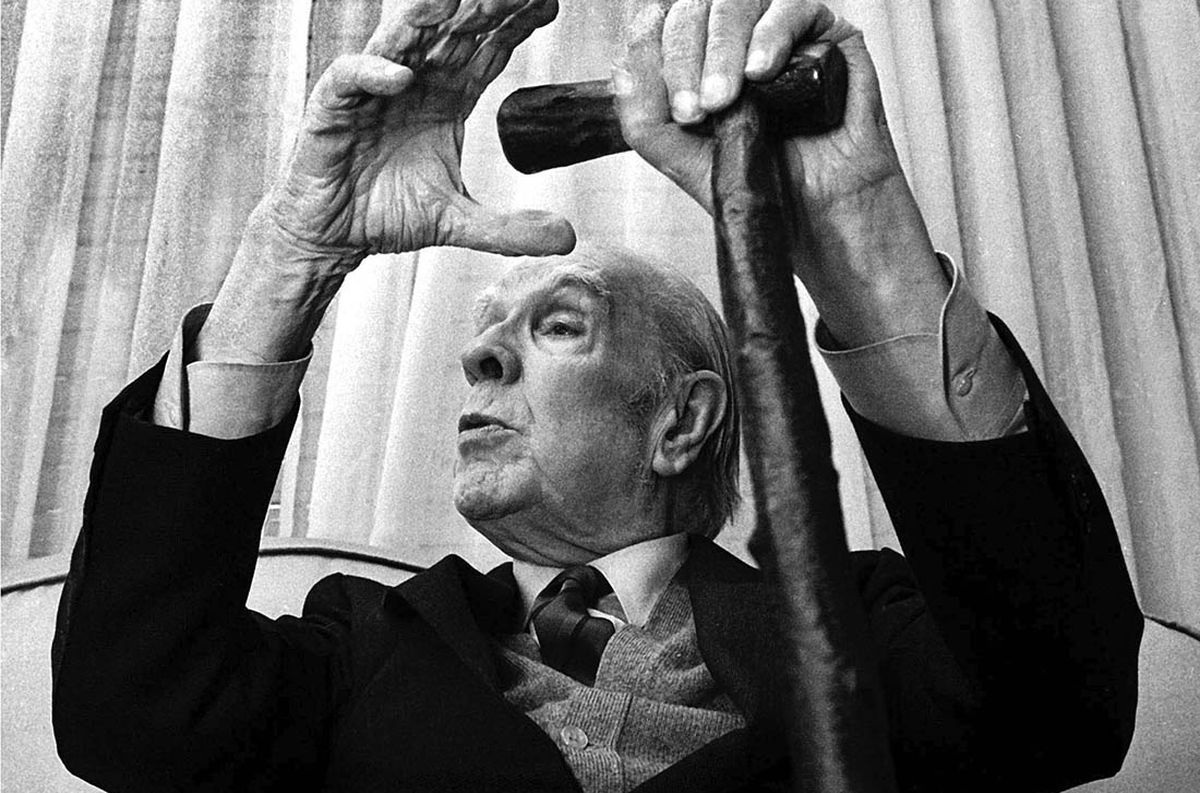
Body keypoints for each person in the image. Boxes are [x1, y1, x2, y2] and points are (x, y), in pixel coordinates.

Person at [52, 1, 1142, 791]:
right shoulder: (360, 647)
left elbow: (1064, 706)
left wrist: (862, 231)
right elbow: (129, 714)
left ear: (683, 418)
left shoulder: (860, 629)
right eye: (485, 336)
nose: (481, 360)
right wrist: (295, 248)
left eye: (558, 324)